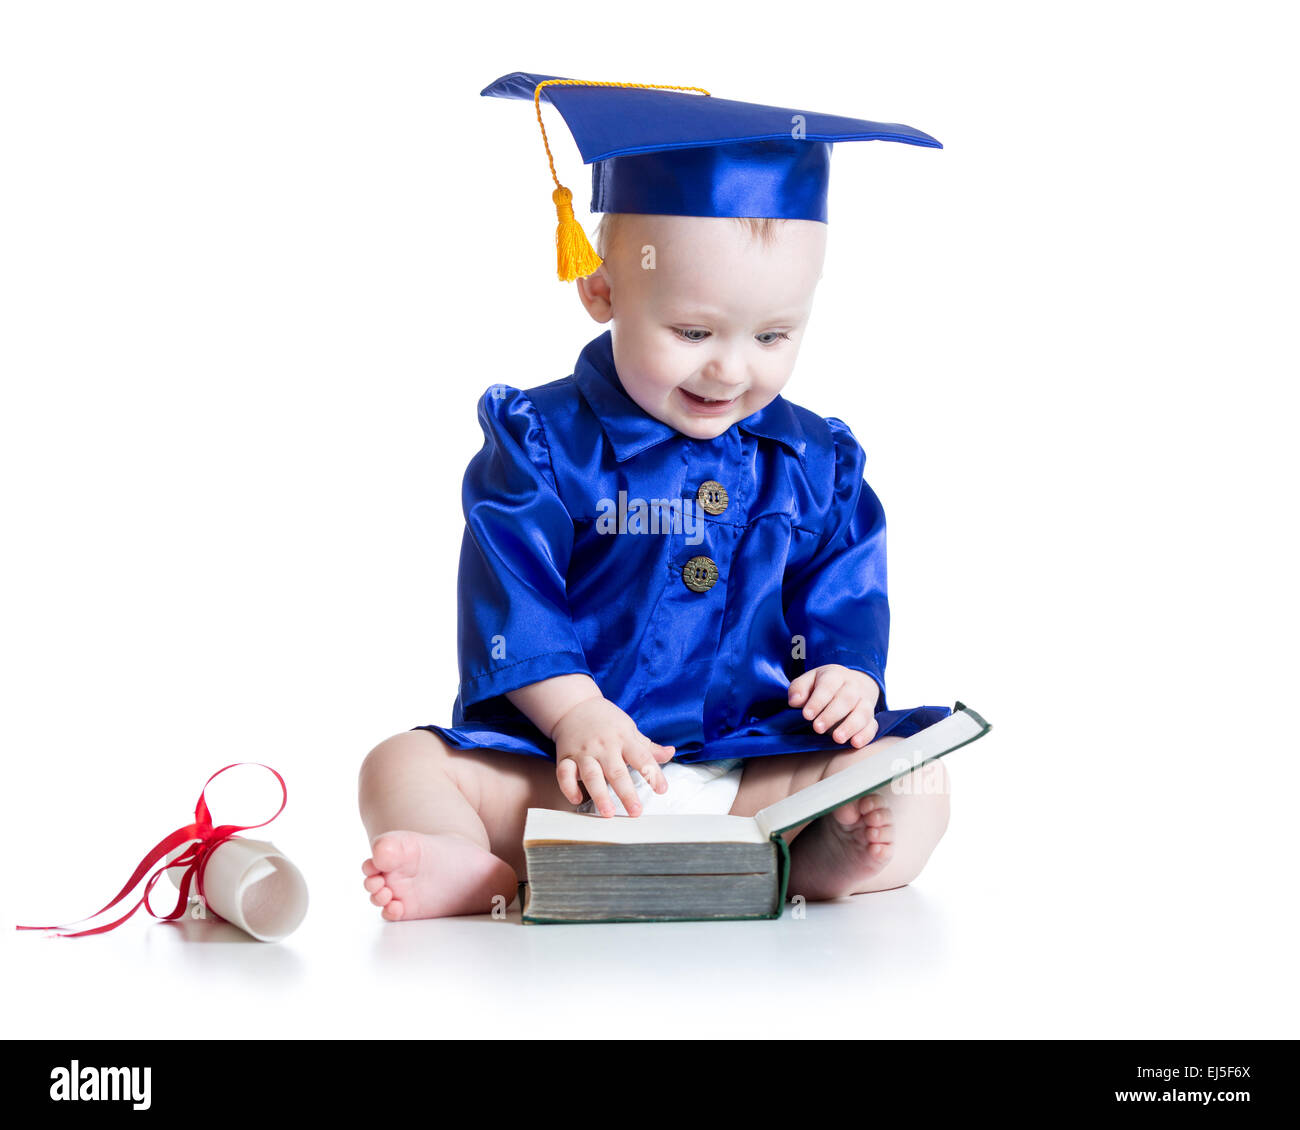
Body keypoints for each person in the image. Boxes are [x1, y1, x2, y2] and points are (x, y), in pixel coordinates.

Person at [360, 73, 954, 920]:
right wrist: (575, 712)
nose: (731, 367)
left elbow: (843, 590)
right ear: (603, 291)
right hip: (573, 781)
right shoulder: (541, 444)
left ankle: (825, 850)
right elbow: (513, 595)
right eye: (693, 332)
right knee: (398, 764)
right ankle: (475, 866)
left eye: (774, 336)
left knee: (917, 769)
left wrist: (846, 672)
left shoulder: (817, 461)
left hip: (754, 774)